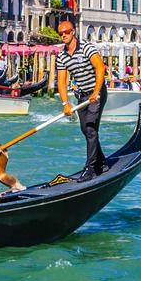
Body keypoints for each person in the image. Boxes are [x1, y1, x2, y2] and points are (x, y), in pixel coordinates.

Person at [54, 16, 107, 179]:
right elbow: (61, 82)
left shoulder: (86, 47)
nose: (63, 35)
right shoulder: (62, 56)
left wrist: (96, 92)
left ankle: (90, 169)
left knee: (91, 129)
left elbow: (100, 69)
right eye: (61, 33)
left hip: (96, 93)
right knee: (85, 130)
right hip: (82, 95)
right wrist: (65, 103)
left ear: (73, 32)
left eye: (66, 32)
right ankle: (101, 161)